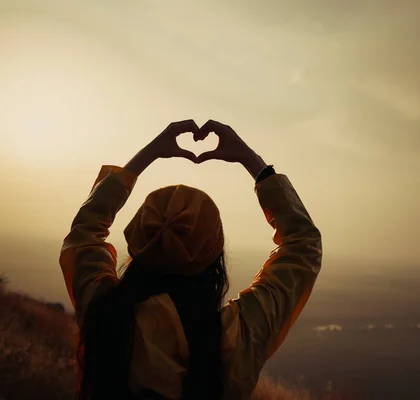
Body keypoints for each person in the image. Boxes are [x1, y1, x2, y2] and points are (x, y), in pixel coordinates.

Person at [59, 119, 322, 400]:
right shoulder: (235, 337)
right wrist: (251, 161)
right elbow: (302, 245)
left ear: (137, 244)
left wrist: (148, 154)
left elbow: (84, 233)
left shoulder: (101, 310)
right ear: (214, 259)